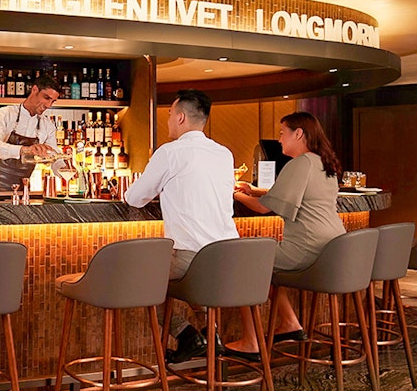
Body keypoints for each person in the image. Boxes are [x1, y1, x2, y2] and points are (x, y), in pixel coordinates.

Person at [123, 89, 239, 363]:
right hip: (230, 259)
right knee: (192, 284)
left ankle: (187, 336)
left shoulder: (171, 152)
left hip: (192, 260)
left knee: (139, 278)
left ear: (181, 117)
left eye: (169, 115)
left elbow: (134, 197)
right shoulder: (224, 154)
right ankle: (211, 336)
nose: (167, 121)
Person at [228, 111, 345, 358]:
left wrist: (231, 192)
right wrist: (253, 189)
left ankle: (251, 341)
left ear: (298, 133)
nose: (280, 139)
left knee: (244, 259)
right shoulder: (321, 161)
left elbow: (264, 208)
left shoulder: (300, 163)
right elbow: (293, 194)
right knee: (268, 262)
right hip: (334, 247)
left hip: (307, 248)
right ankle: (290, 322)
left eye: (283, 133)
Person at [0, 74, 61, 193]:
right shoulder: (5, 113)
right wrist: (25, 150)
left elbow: (54, 156)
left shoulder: (47, 125)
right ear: (34, 90)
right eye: (46, 98)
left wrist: (64, 167)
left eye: (53, 101)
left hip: (22, 192)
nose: (49, 105)